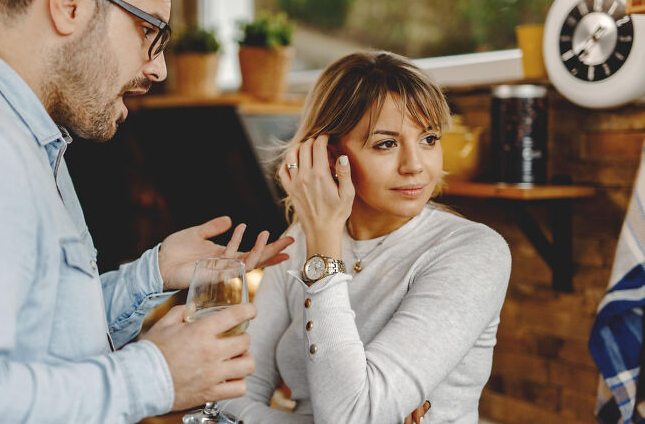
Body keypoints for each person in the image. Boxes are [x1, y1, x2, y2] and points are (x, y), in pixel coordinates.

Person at [0, 0, 293, 422]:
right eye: (150, 31)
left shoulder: (30, 136)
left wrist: (152, 274)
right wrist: (157, 374)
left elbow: (45, 335)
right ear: (70, 5)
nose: (159, 69)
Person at [219, 51, 512, 423]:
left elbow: (353, 417)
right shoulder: (301, 237)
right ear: (328, 155)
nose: (415, 165)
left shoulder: (474, 253)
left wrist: (322, 246)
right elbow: (230, 395)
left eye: (428, 138)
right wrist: (321, 234)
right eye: (386, 144)